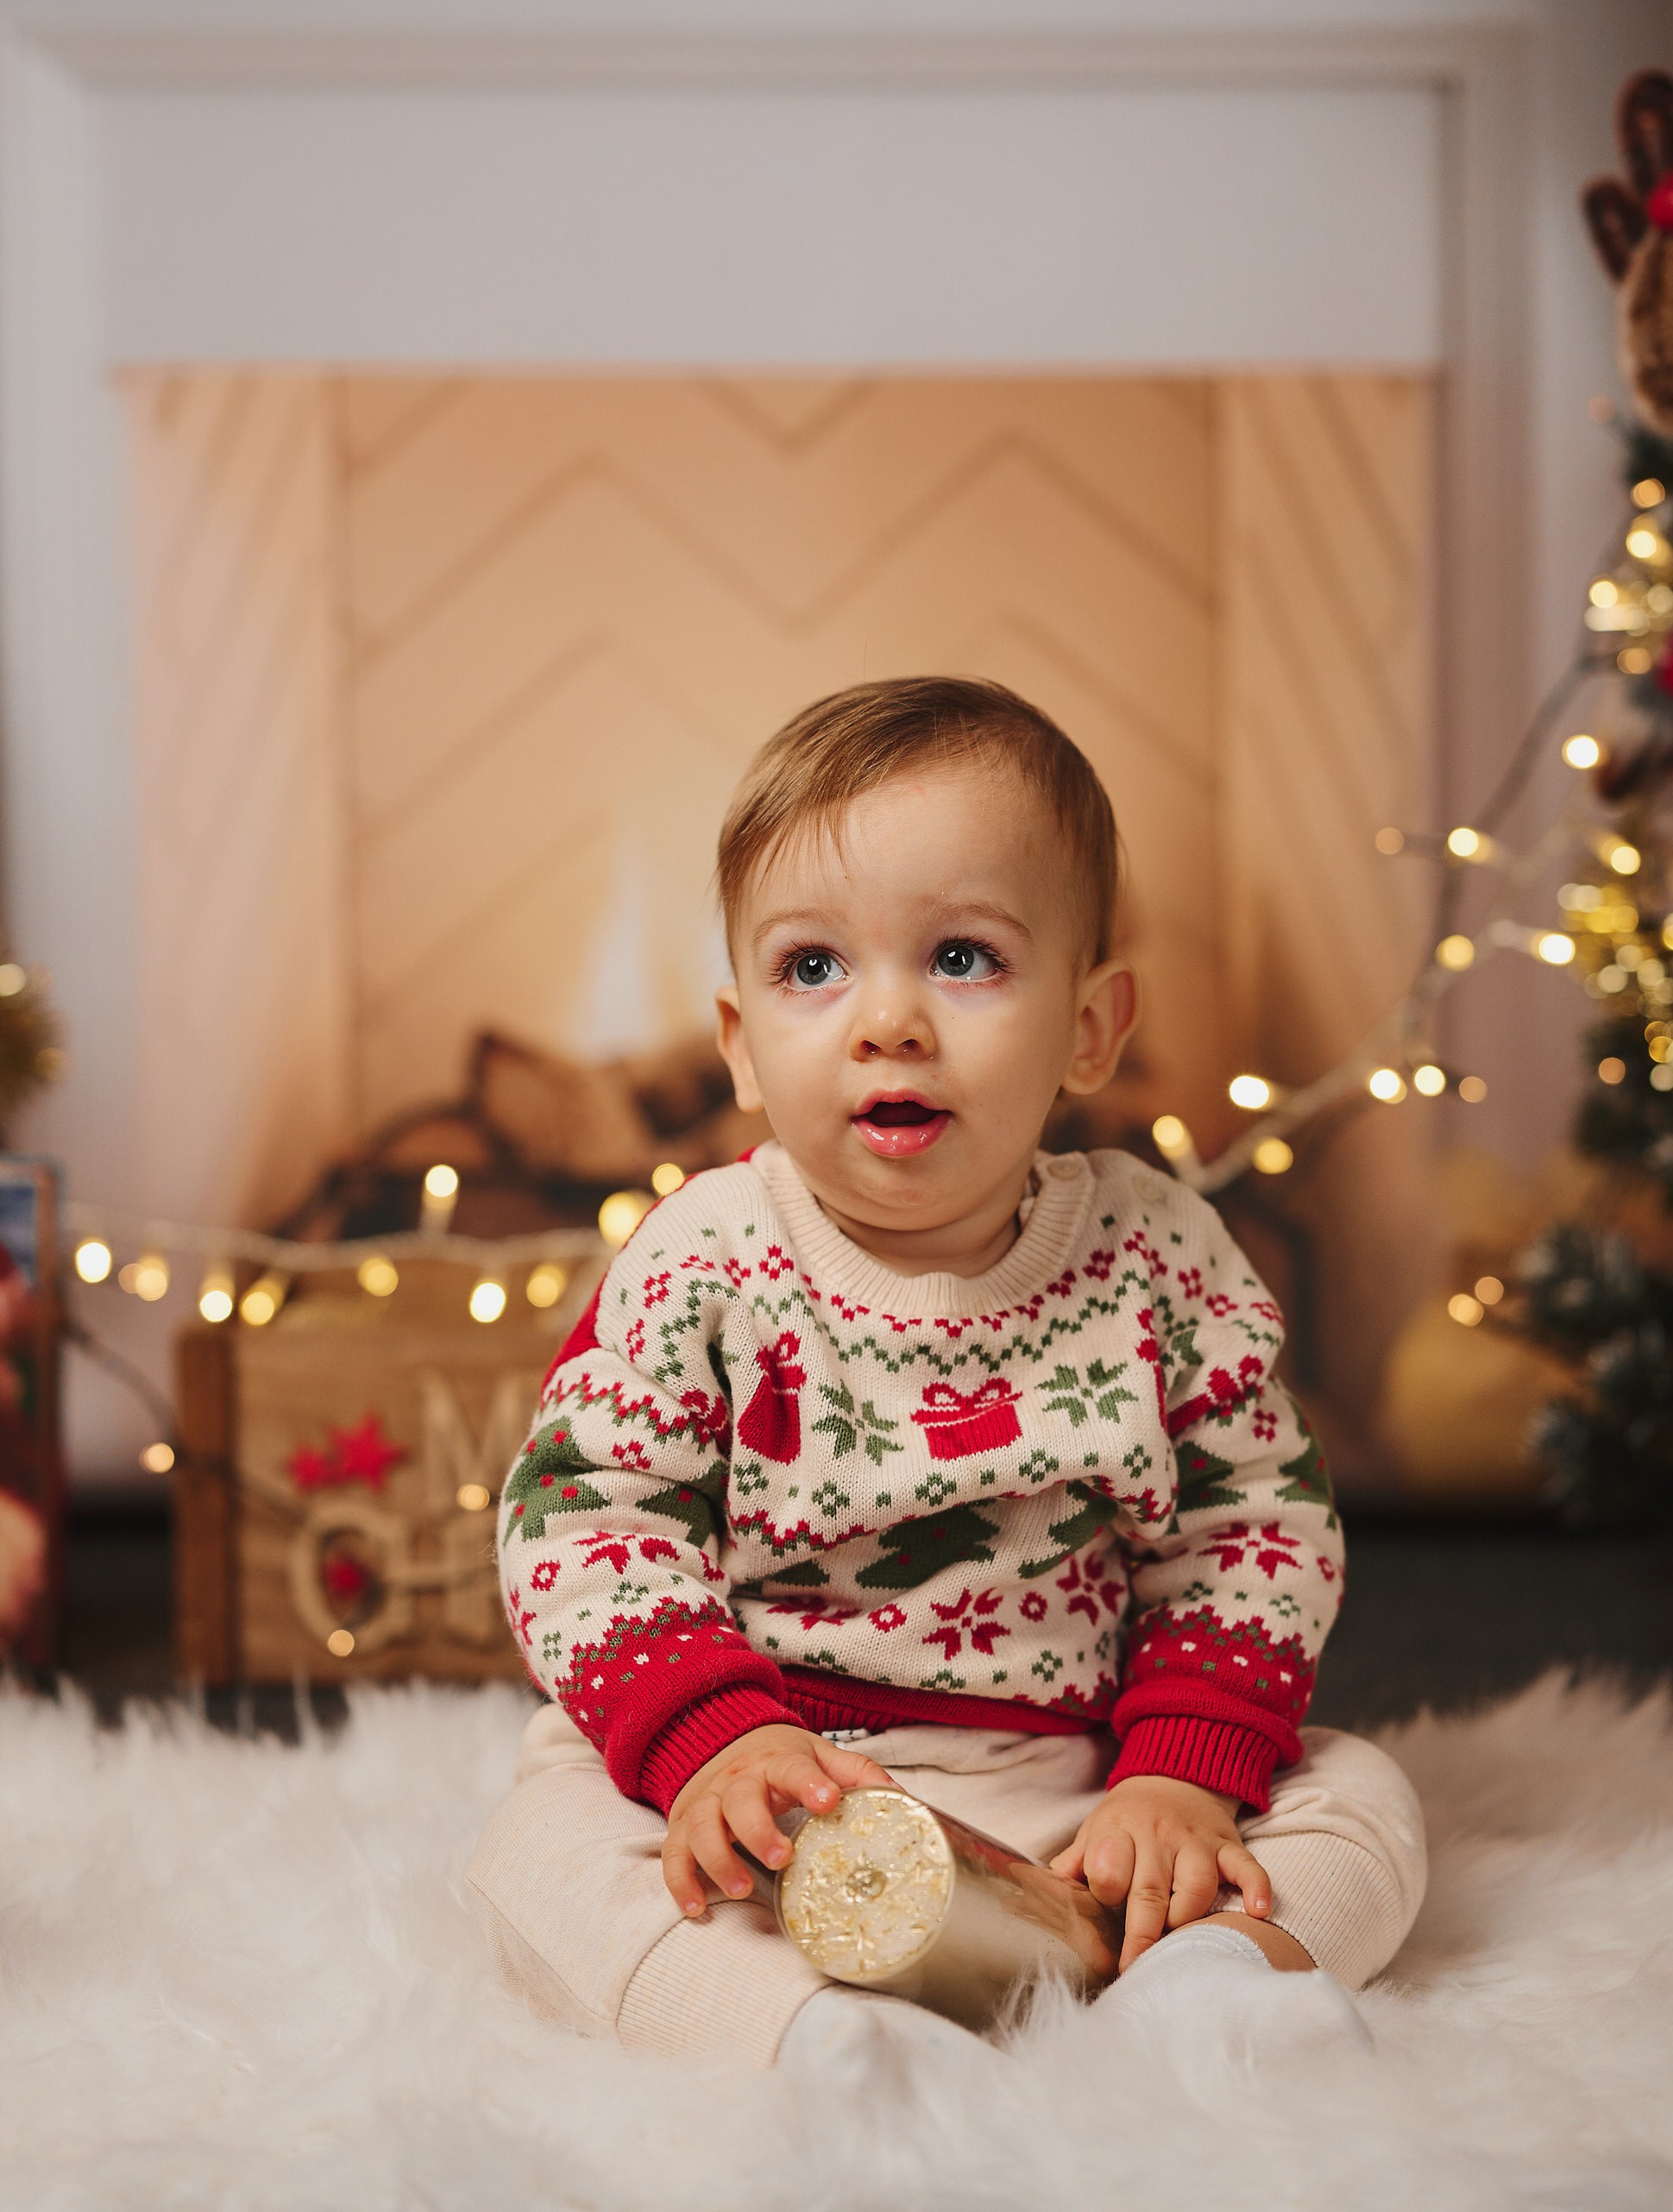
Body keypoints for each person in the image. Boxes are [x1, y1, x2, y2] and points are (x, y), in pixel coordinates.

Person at [469, 677, 1425, 2071]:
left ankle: (1212, 1985)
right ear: (740, 1042)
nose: (890, 1022)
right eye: (813, 969)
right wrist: (710, 1742)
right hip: (772, 1785)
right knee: (543, 1841)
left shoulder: (1160, 1257)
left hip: (1074, 1789)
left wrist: (1178, 1771)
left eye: (965, 957)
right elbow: (585, 1521)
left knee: (1364, 1799)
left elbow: (1254, 1529)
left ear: (1092, 1028)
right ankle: (809, 2042)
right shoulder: (703, 1261)